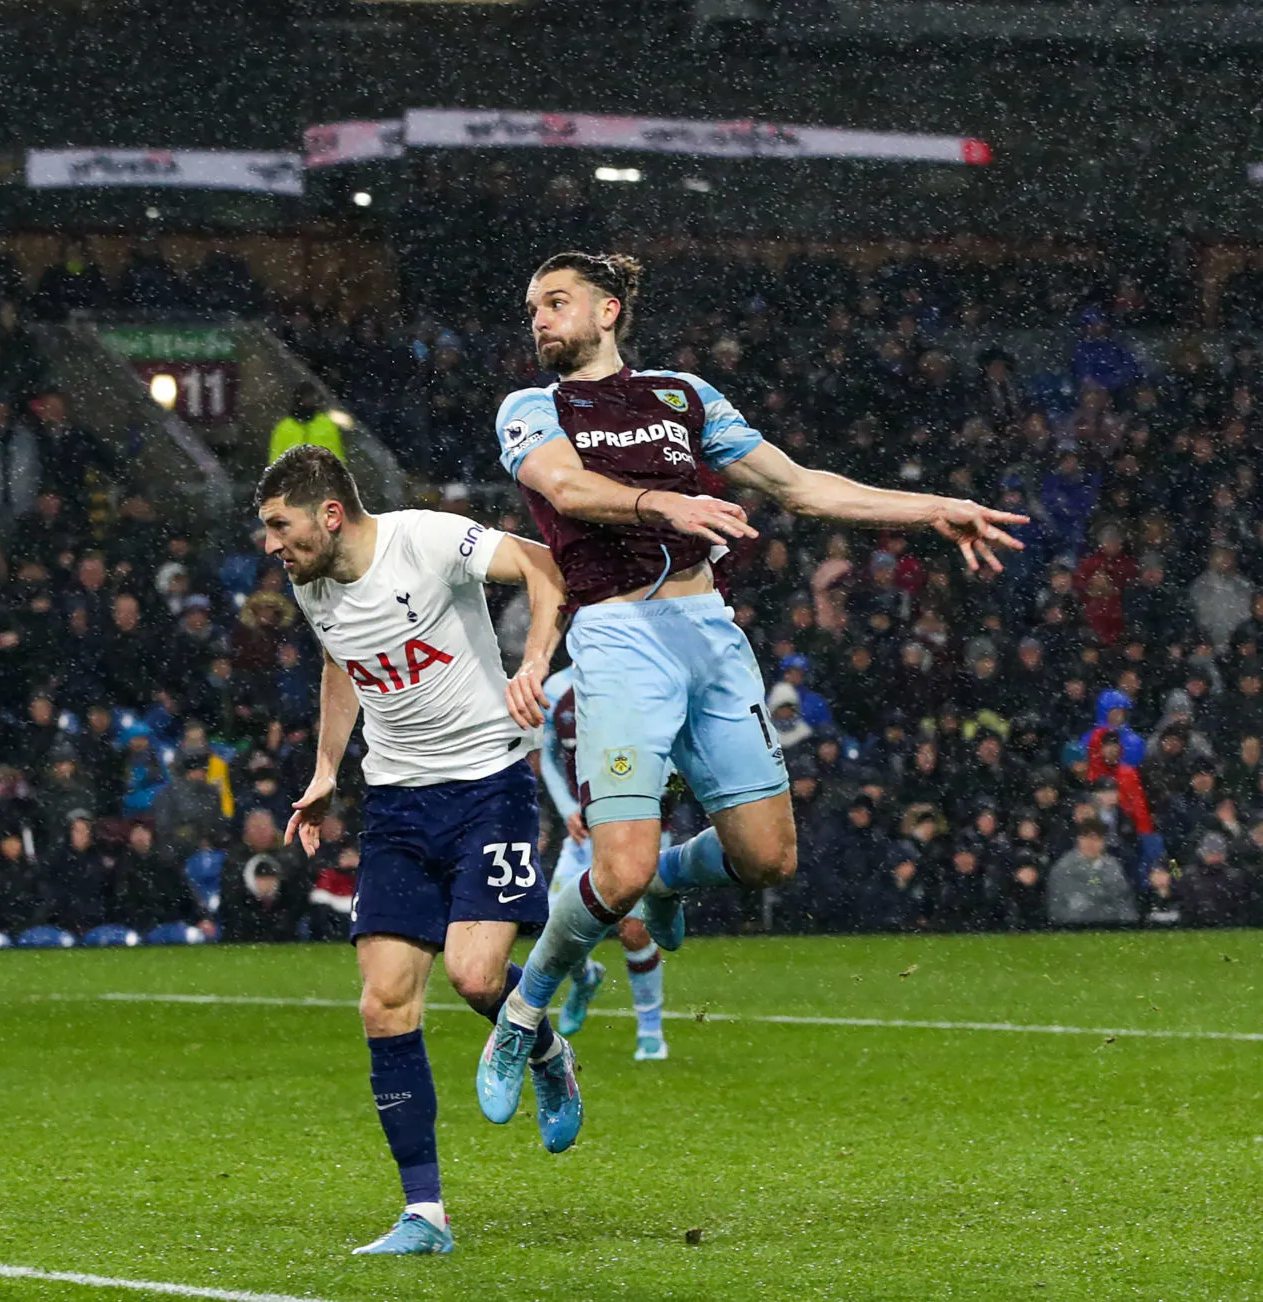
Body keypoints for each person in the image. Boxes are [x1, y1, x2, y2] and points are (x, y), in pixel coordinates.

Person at [480, 251, 1025, 1113]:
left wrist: (929, 509)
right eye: (532, 306)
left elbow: (799, 486)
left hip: (707, 632)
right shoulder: (533, 407)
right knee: (612, 873)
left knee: (766, 860)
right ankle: (524, 1008)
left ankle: (669, 881)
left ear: (608, 310)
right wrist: (666, 505)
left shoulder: (682, 398)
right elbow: (564, 487)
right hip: (618, 638)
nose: (539, 319)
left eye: (556, 303)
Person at [256, 445, 572, 1256]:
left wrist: (534, 661)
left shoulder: (427, 540)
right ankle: (423, 1214)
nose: (271, 546)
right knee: (383, 1001)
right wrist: (327, 766)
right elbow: (339, 657)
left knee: (473, 979)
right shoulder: (309, 580)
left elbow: (543, 564)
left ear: (329, 514)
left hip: (487, 789)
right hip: (396, 804)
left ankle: (541, 1045)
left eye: (279, 526)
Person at [535, 669, 667, 1060]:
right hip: (584, 829)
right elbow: (547, 755)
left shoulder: (643, 676)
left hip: (638, 825)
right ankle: (586, 976)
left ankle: (651, 1032)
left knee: (632, 928)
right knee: (553, 921)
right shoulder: (556, 690)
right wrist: (568, 810)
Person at [268, 383, 346, 465]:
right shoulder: (284, 427)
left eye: (310, 397)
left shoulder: (326, 424)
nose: (307, 401)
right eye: (304, 398)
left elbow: (337, 454)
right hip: (294, 475)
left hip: (321, 475)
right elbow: (275, 459)